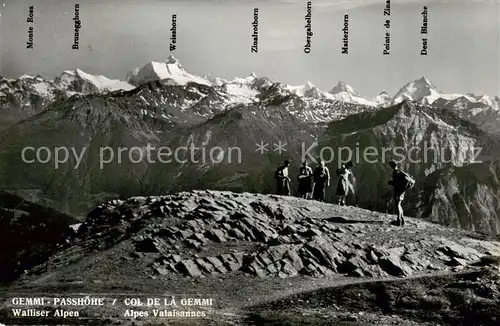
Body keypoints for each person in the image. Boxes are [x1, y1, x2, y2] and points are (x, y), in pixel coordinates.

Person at [387, 160, 415, 226]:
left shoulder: (395, 172)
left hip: (398, 191)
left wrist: (391, 183)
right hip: (402, 191)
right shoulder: (400, 171)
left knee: (397, 205)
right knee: (399, 204)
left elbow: (396, 183)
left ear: (391, 166)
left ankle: (399, 221)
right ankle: (402, 220)